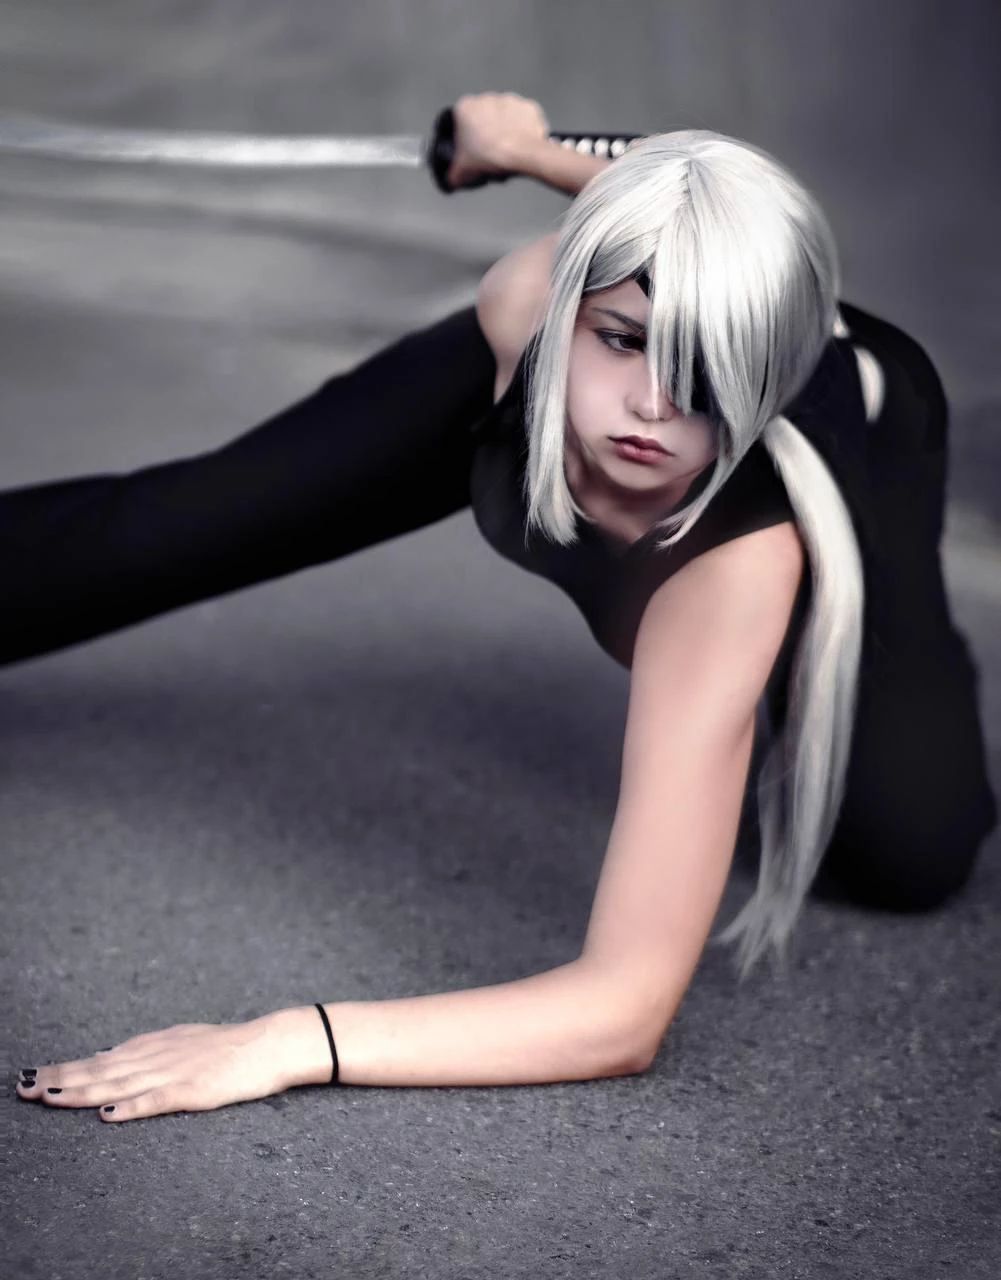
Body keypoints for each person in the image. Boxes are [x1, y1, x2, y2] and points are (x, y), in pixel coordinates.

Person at [12, 94, 996, 1121]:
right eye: (621, 339)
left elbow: (620, 1012)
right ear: (572, 304)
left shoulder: (731, 565)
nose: (653, 405)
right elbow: (661, 198)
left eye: (706, 371)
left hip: (864, 424)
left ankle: (788, 411)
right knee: (181, 521)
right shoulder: (525, 306)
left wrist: (285, 1041)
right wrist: (524, 148)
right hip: (642, 322)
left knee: (903, 854)